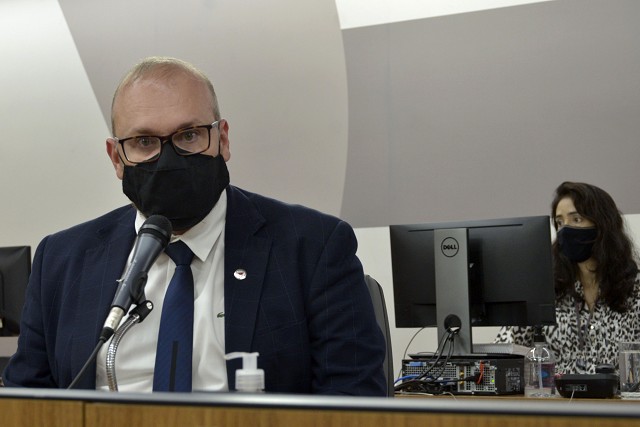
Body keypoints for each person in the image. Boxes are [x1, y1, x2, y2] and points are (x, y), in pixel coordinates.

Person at [2, 56, 387, 395]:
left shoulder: (312, 247)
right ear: (116, 158)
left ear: (222, 139)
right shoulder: (61, 260)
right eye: (144, 141)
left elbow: (352, 401)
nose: (168, 158)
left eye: (188, 135)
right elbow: (26, 400)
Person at [496, 181, 640, 374]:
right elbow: (505, 352)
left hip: (619, 394)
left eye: (576, 219)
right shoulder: (544, 289)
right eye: (560, 222)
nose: (565, 229)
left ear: (603, 224)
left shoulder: (634, 288)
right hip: (556, 393)